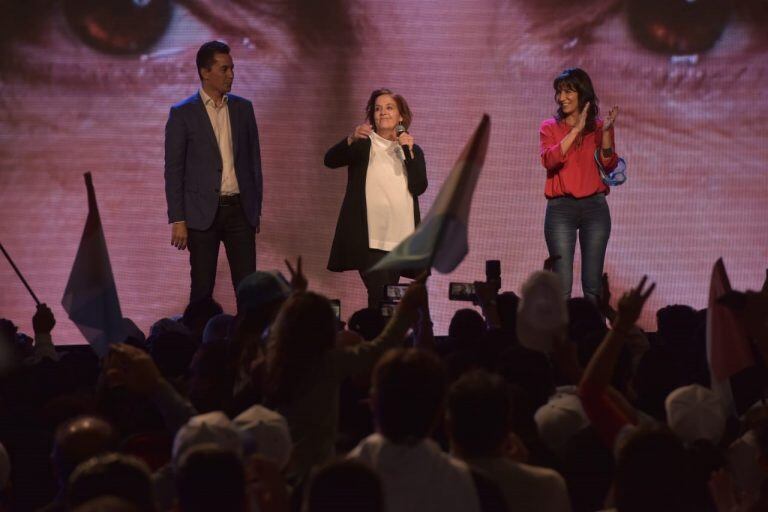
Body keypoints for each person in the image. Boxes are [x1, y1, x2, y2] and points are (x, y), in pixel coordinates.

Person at [164, 40, 263, 304]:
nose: (231, 75)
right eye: (224, 69)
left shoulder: (243, 109)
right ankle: (200, 342)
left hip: (240, 212)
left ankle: (247, 344)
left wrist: (255, 209)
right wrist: (178, 219)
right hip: (201, 214)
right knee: (202, 289)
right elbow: (174, 170)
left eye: (232, 69)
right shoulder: (182, 113)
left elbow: (254, 163)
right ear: (205, 72)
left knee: (248, 290)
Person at [324, 88, 427, 308]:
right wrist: (350, 139)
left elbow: (419, 186)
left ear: (401, 116)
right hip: (371, 241)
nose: (383, 113)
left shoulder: (412, 149)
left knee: (390, 302)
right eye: (378, 109)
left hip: (400, 240)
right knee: (379, 296)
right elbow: (330, 160)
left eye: (389, 108)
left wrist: (408, 151)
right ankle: (377, 339)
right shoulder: (364, 145)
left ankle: (387, 339)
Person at [539, 68, 620, 304]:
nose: (561, 97)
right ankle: (561, 338)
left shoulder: (599, 126)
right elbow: (549, 160)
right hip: (561, 209)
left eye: (567, 91)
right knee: (561, 286)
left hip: (595, 208)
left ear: (582, 93)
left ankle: (594, 338)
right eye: (558, 92)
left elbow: (609, 164)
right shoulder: (549, 127)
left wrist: (605, 133)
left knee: (593, 286)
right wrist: (575, 130)